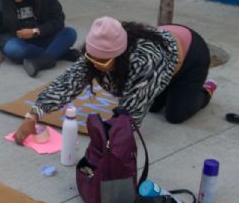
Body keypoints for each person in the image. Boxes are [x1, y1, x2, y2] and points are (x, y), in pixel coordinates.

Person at [14, 17, 218, 144]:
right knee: (154, 106)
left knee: (175, 114)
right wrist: (33, 115)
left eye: (103, 61)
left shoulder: (145, 59)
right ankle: (166, 88)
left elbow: (131, 114)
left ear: (120, 54)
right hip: (164, 52)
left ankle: (204, 91)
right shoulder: (95, 53)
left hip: (190, 55)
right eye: (92, 59)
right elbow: (68, 82)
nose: (96, 65)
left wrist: (106, 138)